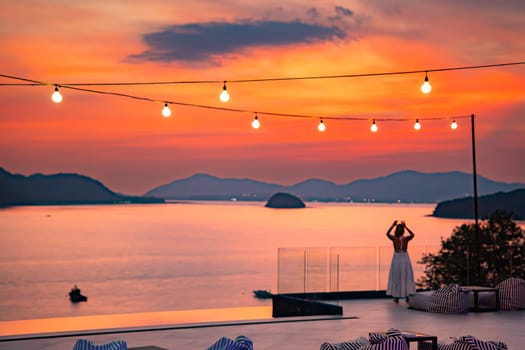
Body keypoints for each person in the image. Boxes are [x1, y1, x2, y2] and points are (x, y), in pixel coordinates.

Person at [386, 220, 416, 302]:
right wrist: (406, 227)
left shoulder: (394, 238)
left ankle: (396, 297)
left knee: (397, 276)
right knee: (406, 275)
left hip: (397, 257)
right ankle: (407, 296)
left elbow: (387, 234)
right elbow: (413, 234)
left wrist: (392, 226)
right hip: (405, 257)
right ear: (403, 231)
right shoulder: (406, 238)